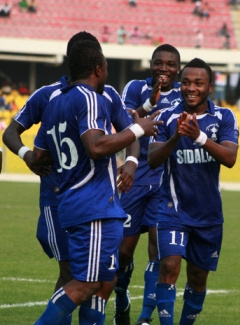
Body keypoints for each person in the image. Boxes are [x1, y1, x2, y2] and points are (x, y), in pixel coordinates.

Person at [3, 31, 140, 325]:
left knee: (102, 279)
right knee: (75, 276)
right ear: (93, 64)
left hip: (97, 196)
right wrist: (28, 155)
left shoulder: (109, 94)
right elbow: (11, 132)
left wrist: (131, 161)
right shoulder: (49, 96)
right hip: (60, 196)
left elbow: (128, 130)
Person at [31, 39, 162, 325]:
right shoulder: (89, 97)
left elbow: (40, 155)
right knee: (88, 284)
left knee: (103, 283)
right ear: (99, 69)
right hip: (93, 206)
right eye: (106, 68)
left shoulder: (55, 103)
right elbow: (96, 147)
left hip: (75, 201)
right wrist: (140, 127)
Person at [147, 57, 239, 324]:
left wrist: (199, 137)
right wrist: (177, 135)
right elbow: (153, 159)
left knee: (198, 278)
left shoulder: (224, 116)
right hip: (173, 209)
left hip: (208, 215)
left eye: (199, 83)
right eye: (186, 82)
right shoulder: (166, 116)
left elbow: (230, 158)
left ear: (210, 87)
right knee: (169, 266)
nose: (191, 88)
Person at [113, 43, 182, 325]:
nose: (163, 69)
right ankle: (121, 293)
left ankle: (144, 318)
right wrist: (149, 104)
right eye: (158, 63)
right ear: (150, 64)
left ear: (178, 68)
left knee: (158, 246)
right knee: (124, 251)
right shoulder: (134, 88)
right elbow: (122, 123)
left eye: (169, 64)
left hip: (165, 181)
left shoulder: (182, 93)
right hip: (134, 177)